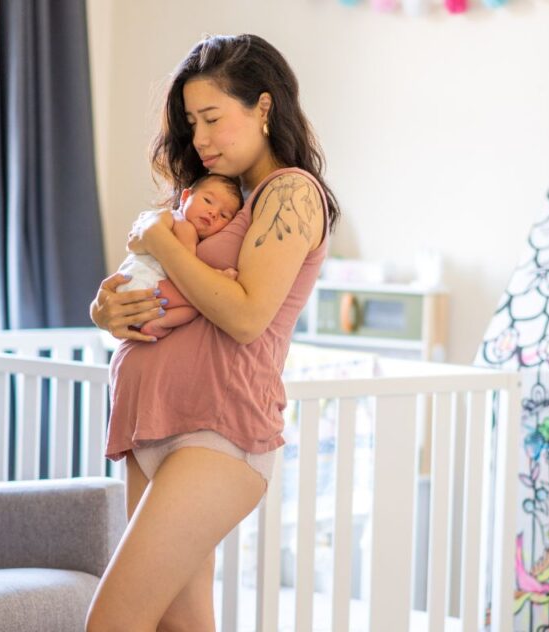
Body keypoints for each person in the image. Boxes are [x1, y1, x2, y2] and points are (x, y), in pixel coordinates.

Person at [84, 33, 341, 632]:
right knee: (180, 626)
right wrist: (104, 313)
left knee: (113, 621)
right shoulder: (207, 199)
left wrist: (158, 243)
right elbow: (155, 291)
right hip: (151, 422)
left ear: (263, 107)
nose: (199, 138)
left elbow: (247, 315)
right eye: (191, 122)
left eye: (212, 118)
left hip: (218, 430)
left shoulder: (292, 192)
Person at [115, 173, 243, 337]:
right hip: (145, 285)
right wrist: (220, 276)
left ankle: (151, 323)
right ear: (185, 196)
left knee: (197, 302)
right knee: (199, 301)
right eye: (208, 201)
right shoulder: (182, 225)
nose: (213, 212)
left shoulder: (169, 221)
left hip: (134, 287)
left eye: (224, 215)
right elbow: (186, 271)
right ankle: (158, 324)